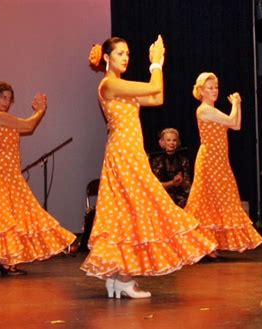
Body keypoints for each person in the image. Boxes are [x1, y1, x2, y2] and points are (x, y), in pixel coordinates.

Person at [80, 36, 216, 298]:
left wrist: (159, 63)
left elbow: (157, 96)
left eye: (128, 53)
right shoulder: (109, 84)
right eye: (119, 53)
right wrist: (155, 63)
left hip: (129, 151)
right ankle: (122, 278)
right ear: (107, 57)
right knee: (137, 207)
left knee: (125, 211)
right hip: (124, 153)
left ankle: (119, 276)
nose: (125, 57)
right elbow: (153, 86)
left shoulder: (122, 88)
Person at [0, 81, 76, 276]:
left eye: (9, 99)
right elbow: (28, 125)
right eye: (3, 97)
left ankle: (4, 261)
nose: (7, 102)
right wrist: (40, 110)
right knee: (10, 214)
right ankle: (6, 262)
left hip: (8, 170)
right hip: (5, 172)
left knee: (7, 216)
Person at [184, 72, 262, 255]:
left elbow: (236, 125)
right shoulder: (204, 109)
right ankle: (198, 242)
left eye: (216, 87)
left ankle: (208, 243)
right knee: (205, 200)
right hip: (209, 160)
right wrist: (235, 104)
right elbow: (231, 120)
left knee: (217, 200)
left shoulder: (213, 110)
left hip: (219, 160)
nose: (214, 91)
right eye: (210, 88)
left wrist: (238, 105)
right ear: (201, 91)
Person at [150, 128, 191, 208]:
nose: (172, 143)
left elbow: (188, 187)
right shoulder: (156, 161)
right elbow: (155, 186)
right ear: (162, 143)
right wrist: (172, 183)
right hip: (163, 196)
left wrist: (181, 181)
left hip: (180, 197)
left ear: (178, 143)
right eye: (168, 140)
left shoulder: (183, 160)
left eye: (174, 140)